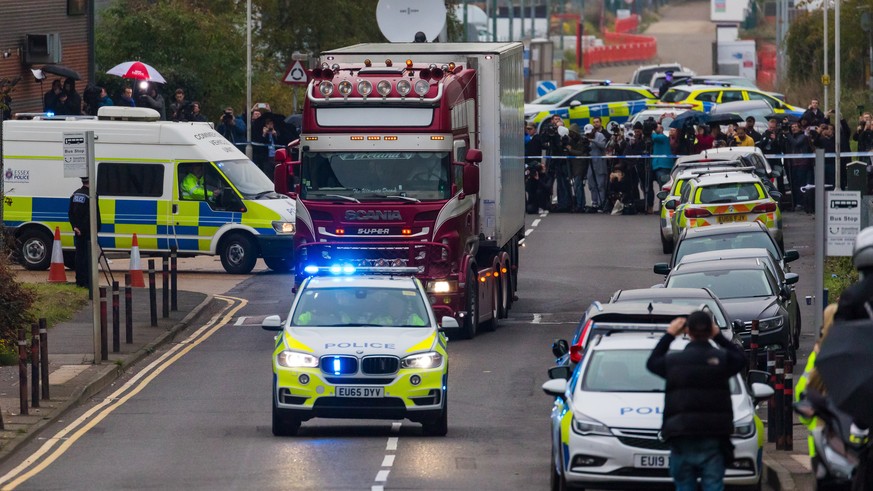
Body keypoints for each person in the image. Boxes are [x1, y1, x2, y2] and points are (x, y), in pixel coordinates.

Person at [646, 310, 746, 491]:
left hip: (681, 432)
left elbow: (652, 362)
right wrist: (719, 337)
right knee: (713, 484)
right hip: (713, 433)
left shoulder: (674, 362)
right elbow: (741, 359)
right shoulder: (721, 360)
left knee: (684, 484)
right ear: (710, 331)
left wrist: (669, 335)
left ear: (687, 332)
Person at [68, 177, 101, 288]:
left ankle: (79, 281)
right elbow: (92, 215)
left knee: (79, 256)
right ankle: (87, 282)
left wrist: (75, 227)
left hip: (78, 231)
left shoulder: (75, 194)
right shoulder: (92, 196)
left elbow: (71, 213)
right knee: (88, 257)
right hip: (88, 231)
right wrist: (96, 228)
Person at [565, 123, 590, 213]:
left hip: (580, 166)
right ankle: (580, 204)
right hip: (573, 166)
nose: (571, 134)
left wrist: (571, 150)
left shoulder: (581, 141)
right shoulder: (571, 141)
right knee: (577, 187)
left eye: (572, 132)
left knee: (578, 186)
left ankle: (580, 205)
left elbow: (581, 153)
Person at [587, 118, 608, 211]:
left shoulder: (600, 135)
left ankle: (601, 203)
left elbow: (603, 146)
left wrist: (593, 140)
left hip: (599, 163)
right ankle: (594, 202)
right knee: (592, 184)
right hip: (590, 164)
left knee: (600, 185)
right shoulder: (586, 137)